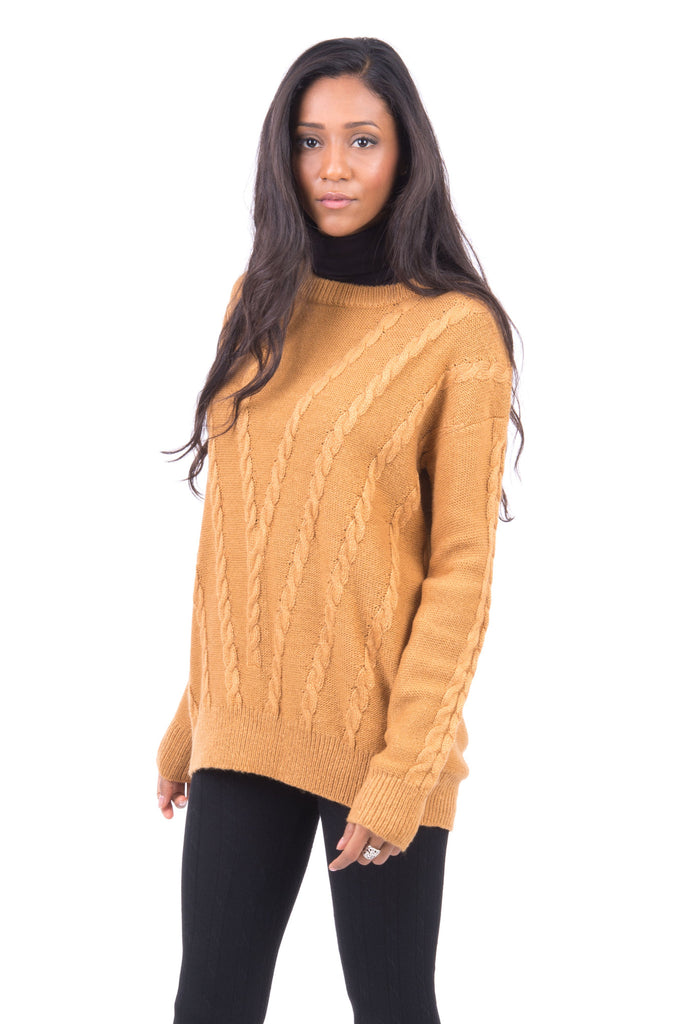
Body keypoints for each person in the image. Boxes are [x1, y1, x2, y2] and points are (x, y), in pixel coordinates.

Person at [156, 36, 523, 1024]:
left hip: (381, 746)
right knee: (210, 1003)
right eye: (309, 140)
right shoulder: (258, 303)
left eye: (362, 140)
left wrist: (404, 772)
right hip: (243, 725)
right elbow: (244, 536)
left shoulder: (458, 332)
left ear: (406, 154)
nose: (333, 166)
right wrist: (196, 713)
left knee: (392, 1005)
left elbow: (461, 571)